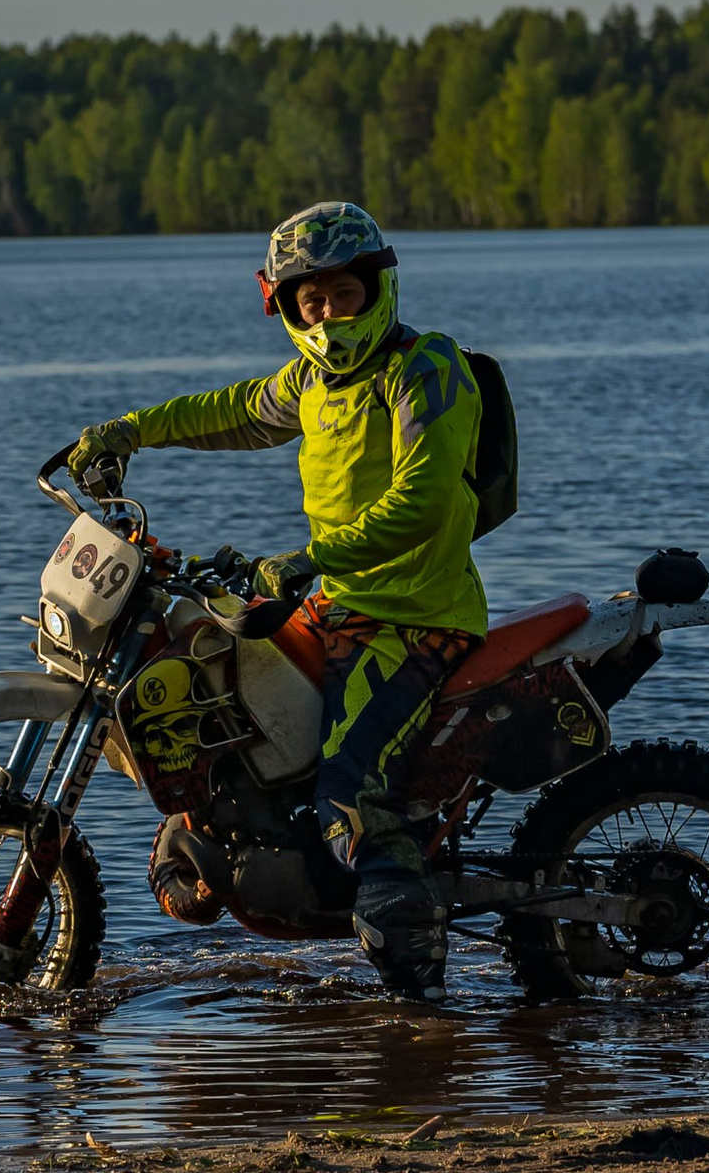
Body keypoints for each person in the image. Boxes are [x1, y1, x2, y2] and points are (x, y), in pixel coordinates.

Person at [69, 199, 484, 1000]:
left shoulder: (424, 368)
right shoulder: (311, 383)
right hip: (337, 604)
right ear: (288, 307)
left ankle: (420, 1000)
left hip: (418, 617)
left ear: (376, 286)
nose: (328, 313)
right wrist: (125, 432)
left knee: (349, 789)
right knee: (227, 723)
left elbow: (425, 502)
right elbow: (225, 412)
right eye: (310, 299)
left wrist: (306, 559)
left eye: (343, 293)